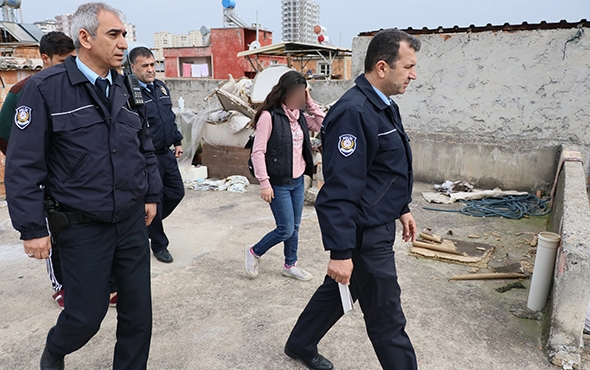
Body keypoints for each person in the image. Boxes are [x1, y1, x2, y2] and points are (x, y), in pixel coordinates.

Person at [5, 3, 161, 369]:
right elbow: (23, 163)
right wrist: (31, 228)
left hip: (130, 222)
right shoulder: (45, 89)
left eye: (125, 34)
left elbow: (144, 144)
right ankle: (55, 351)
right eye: (114, 34)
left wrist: (152, 193)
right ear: (85, 38)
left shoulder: (125, 86)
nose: (124, 42)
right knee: (85, 317)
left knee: (139, 314)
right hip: (81, 226)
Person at [284, 29, 421, 370]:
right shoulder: (353, 112)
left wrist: (401, 209)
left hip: (377, 220)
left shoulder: (383, 105)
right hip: (364, 232)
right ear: (382, 67)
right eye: (408, 66)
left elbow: (383, 170)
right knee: (387, 316)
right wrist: (341, 253)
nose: (413, 74)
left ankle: (300, 343)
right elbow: (339, 190)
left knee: (339, 291)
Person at [0, 31, 77, 309]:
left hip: (73, 178)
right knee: (51, 233)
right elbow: (8, 137)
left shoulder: (77, 86)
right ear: (45, 59)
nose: (69, 66)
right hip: (43, 179)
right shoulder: (23, 91)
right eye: (63, 60)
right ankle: (61, 286)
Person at [245, 71, 324, 281]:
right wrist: (264, 183)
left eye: (303, 94)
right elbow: (258, 152)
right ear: (285, 93)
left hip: (298, 181)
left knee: (294, 227)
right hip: (278, 183)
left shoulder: (300, 117)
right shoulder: (268, 116)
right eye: (297, 94)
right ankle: (254, 251)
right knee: (285, 229)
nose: (300, 98)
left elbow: (323, 124)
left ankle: (290, 264)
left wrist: (309, 102)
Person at [129, 46, 184, 264]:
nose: (151, 70)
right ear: (133, 67)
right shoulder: (130, 92)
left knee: (176, 192)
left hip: (166, 153)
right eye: (145, 66)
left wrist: (178, 140)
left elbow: (169, 117)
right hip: (146, 158)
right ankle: (159, 244)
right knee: (153, 200)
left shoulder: (160, 87)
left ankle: (147, 224)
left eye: (153, 65)